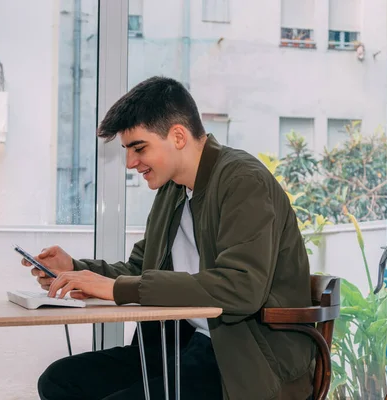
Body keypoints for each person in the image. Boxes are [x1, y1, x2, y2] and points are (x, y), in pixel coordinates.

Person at [24, 76, 314, 400]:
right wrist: (75, 271)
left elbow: (242, 287)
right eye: (127, 151)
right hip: (183, 345)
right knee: (59, 382)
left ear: (178, 136)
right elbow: (140, 269)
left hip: (241, 359)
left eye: (139, 148)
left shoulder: (243, 181)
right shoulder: (171, 191)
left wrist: (116, 288)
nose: (131, 162)